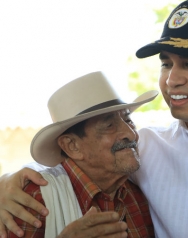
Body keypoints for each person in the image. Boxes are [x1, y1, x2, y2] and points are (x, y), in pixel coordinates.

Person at [1, 0, 188, 238]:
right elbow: (73, 164)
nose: (172, 80)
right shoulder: (145, 147)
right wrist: (8, 183)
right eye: (166, 64)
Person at [3, 71, 157, 238]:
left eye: (128, 120)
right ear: (72, 146)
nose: (131, 134)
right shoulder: (34, 199)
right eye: (109, 125)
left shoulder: (136, 193)